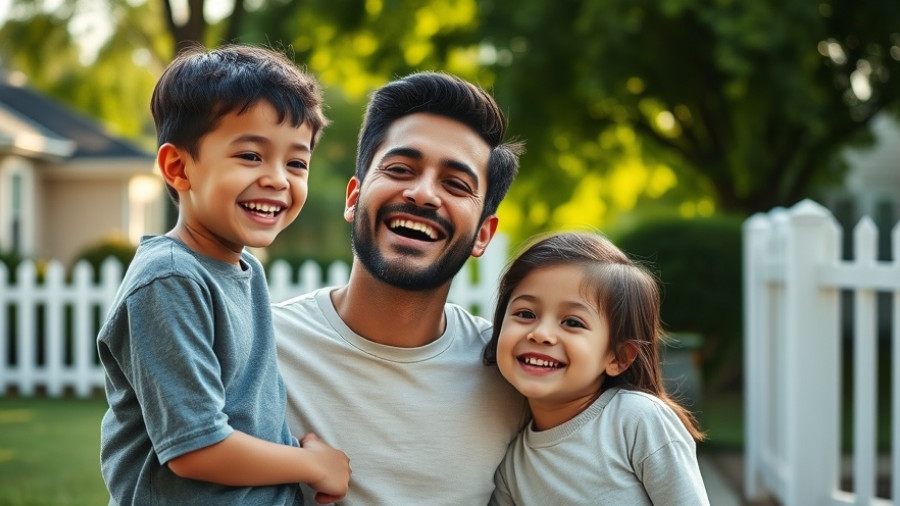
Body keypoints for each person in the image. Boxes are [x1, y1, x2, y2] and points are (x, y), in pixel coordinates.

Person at [97, 44, 350, 506]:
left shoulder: (244, 270)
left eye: (296, 162)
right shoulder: (169, 280)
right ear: (179, 168)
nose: (278, 178)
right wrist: (312, 465)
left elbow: (249, 412)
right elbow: (196, 448)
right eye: (251, 155)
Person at [273, 71, 528, 504]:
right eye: (400, 169)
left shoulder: (513, 378)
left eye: (456, 185)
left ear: (484, 233)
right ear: (353, 198)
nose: (423, 193)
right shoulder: (261, 347)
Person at [483, 231, 709, 505]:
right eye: (526, 314)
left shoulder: (638, 420)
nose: (541, 334)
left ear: (618, 358)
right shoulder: (512, 467)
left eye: (573, 322)